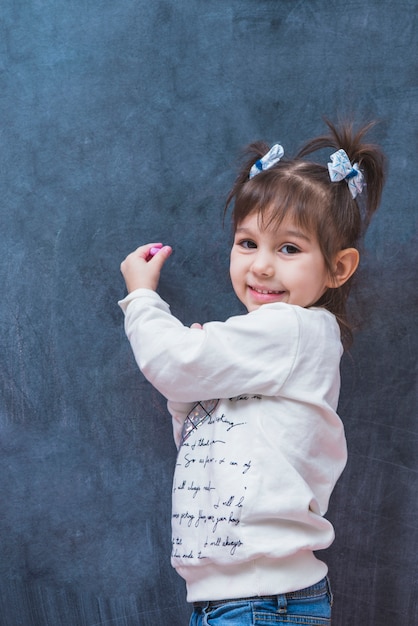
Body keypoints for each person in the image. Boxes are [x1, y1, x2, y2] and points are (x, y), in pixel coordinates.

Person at [119, 120, 386, 625]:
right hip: (235, 598)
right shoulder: (265, 343)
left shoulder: (293, 330)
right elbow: (202, 443)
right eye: (248, 243)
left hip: (263, 601)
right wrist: (191, 391)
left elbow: (172, 364)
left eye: (289, 249)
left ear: (338, 268)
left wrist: (141, 299)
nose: (261, 267)